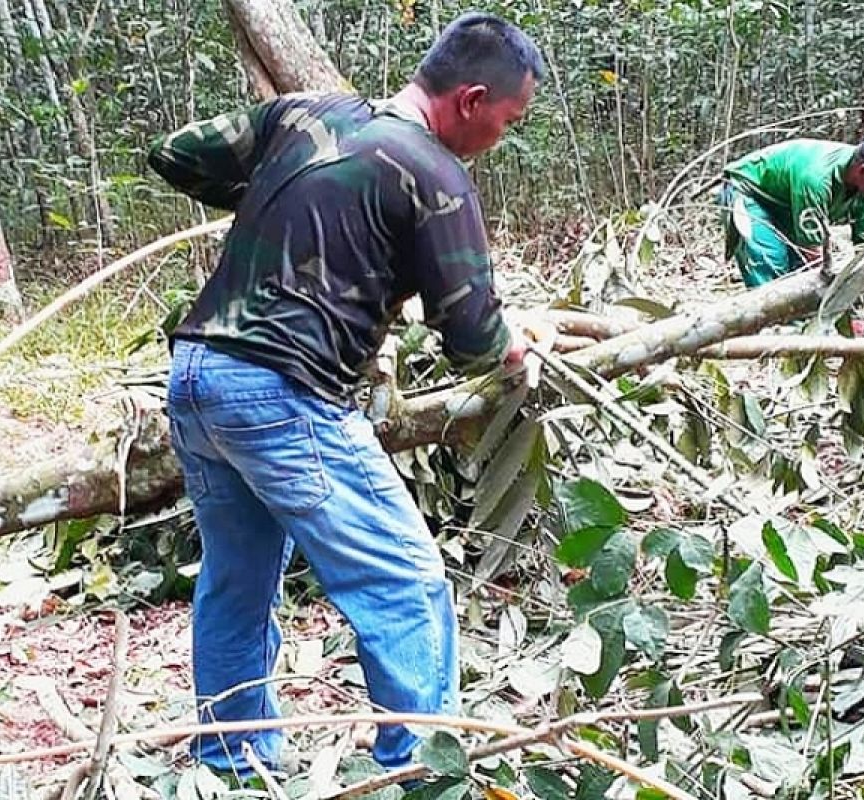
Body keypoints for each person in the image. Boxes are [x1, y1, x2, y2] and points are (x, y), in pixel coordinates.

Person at [147, 12, 544, 776]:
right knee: (406, 581)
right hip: (282, 392)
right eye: (508, 120)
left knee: (238, 577)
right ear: (469, 99)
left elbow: (177, 154)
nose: (503, 137)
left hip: (195, 377)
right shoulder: (436, 179)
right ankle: (420, 768)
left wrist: (283, 199)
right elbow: (469, 337)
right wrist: (512, 347)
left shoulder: (303, 115)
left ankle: (233, 761)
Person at [720, 135, 864, 286]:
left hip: (787, 203)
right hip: (749, 190)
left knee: (797, 268)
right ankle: (770, 323)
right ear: (862, 170)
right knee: (770, 262)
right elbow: (813, 252)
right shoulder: (816, 178)